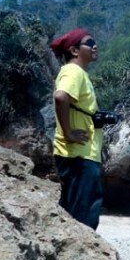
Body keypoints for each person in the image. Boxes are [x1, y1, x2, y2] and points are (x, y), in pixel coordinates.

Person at [51, 28, 104, 230]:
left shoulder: (79, 74)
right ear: (74, 50)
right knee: (84, 214)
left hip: (81, 155)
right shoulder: (73, 71)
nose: (95, 46)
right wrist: (68, 133)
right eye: (90, 43)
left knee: (74, 211)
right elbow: (60, 96)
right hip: (78, 155)